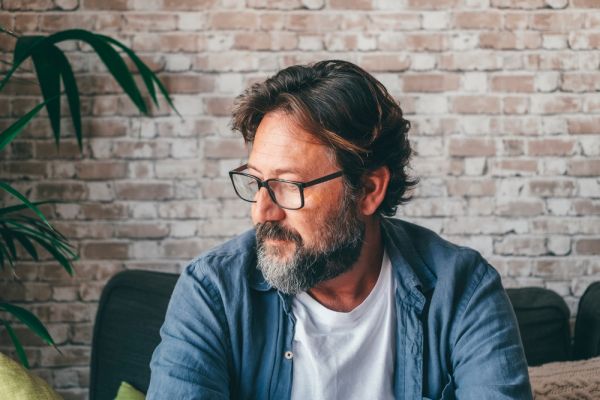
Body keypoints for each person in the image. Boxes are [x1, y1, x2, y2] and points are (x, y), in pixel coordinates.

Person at [147, 60, 532, 399]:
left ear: (368, 190)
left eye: (289, 185)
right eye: (256, 181)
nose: (261, 211)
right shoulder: (212, 292)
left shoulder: (463, 290)